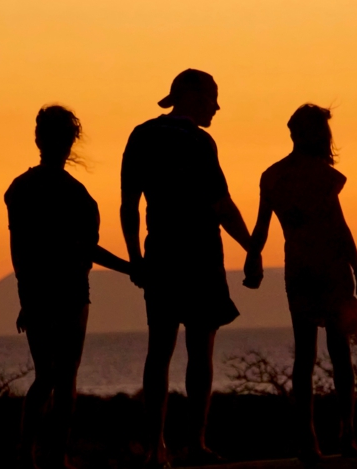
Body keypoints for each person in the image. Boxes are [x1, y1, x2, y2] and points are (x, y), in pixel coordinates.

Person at [120, 69, 251, 468]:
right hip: (199, 256)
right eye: (212, 97)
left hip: (159, 254)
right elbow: (220, 204)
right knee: (199, 351)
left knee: (158, 351)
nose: (216, 106)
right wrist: (252, 247)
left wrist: (135, 259)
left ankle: (157, 445)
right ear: (193, 97)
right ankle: (195, 443)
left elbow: (129, 205)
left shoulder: (141, 135)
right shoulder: (199, 141)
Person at [243, 104, 357, 464]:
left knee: (307, 354)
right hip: (328, 267)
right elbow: (340, 230)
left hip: (299, 267)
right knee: (338, 353)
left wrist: (253, 259)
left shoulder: (273, 176)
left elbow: (261, 229)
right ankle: (346, 434)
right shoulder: (323, 175)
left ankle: (310, 439)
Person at [5, 105, 131, 469]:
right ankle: (50, 456)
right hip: (65, 292)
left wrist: (25, 295)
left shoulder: (24, 189)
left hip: (46, 292)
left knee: (50, 376)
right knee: (62, 376)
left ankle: (34, 455)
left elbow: (21, 252)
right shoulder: (72, 194)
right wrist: (130, 268)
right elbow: (84, 249)